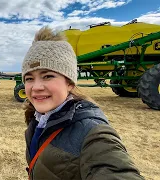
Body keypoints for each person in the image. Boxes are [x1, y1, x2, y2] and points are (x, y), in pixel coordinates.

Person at [22, 26, 144, 180]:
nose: (36, 87)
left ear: (70, 83)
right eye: (29, 78)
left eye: (47, 76)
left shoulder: (92, 133)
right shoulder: (38, 120)